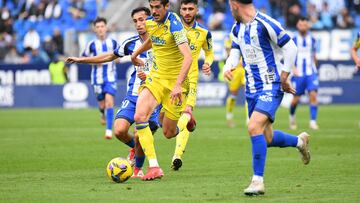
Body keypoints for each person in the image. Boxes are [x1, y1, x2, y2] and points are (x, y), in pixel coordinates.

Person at [225, 0, 311, 196]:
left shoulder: (266, 23)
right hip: (252, 89)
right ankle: (299, 142)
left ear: (235, 4)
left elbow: (291, 48)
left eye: (230, 6)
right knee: (267, 137)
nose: (230, 9)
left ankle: (257, 181)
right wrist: (228, 65)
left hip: (271, 86)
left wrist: (284, 77)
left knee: (253, 127)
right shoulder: (237, 27)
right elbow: (235, 51)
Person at [66, 7, 157, 178]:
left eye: (142, 19)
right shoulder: (130, 43)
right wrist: (81, 60)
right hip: (133, 96)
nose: (138, 24)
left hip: (153, 97)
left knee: (139, 136)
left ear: (150, 19)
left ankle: (137, 169)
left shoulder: (161, 43)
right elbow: (109, 56)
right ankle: (135, 150)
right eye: (135, 21)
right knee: (119, 131)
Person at [130, 0, 195, 181]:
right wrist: (135, 53)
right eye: (152, 7)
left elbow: (188, 58)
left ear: (167, 7)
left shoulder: (174, 24)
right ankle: (154, 167)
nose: (154, 11)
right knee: (139, 117)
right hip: (156, 79)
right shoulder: (151, 22)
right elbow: (153, 40)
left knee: (168, 133)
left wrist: (177, 85)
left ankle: (185, 121)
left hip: (177, 83)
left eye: (158, 7)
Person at [170, 0, 213, 171]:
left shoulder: (204, 32)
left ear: (196, 10)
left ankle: (177, 156)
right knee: (168, 122)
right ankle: (190, 123)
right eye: (184, 9)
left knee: (186, 113)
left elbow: (209, 53)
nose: (187, 12)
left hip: (191, 80)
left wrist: (208, 63)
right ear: (180, 10)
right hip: (171, 79)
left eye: (190, 9)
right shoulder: (172, 28)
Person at [80, 17, 118, 139]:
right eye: (98, 27)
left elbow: (119, 57)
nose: (100, 29)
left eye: (102, 26)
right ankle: (102, 114)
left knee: (109, 102)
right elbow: (84, 59)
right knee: (102, 104)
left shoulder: (113, 43)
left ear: (106, 28)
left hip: (110, 77)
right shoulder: (91, 44)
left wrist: (115, 60)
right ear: (94, 29)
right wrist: (95, 62)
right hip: (97, 79)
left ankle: (108, 131)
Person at [289, 17, 319, 130]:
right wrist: (293, 68)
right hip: (298, 74)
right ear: (297, 26)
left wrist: (316, 68)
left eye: (304, 25)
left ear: (308, 26)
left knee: (313, 95)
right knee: (295, 100)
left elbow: (314, 55)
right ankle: (292, 116)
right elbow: (289, 56)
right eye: (300, 25)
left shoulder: (313, 40)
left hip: (311, 73)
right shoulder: (294, 40)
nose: (302, 27)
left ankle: (313, 121)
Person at [218, 35, 247, 128]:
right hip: (234, 69)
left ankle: (249, 119)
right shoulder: (231, 35)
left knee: (249, 93)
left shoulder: (247, 31)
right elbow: (227, 50)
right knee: (233, 95)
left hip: (244, 69)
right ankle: (229, 117)